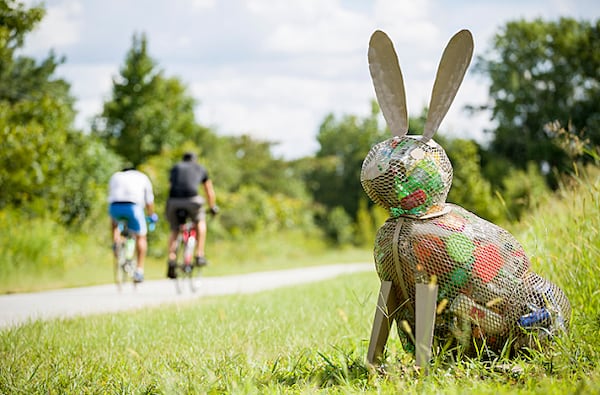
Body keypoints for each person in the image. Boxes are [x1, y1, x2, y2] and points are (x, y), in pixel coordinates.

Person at [166, 152, 218, 279]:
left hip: (173, 201)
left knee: (175, 229)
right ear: (195, 160)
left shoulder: (176, 167)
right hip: (192, 200)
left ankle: (171, 258)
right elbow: (209, 190)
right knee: (200, 221)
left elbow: (171, 185)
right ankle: (199, 254)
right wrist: (212, 207)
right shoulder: (200, 168)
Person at [107, 165, 157, 283]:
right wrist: (151, 215)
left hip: (115, 207)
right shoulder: (142, 177)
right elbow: (149, 201)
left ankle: (116, 242)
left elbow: (110, 194)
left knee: (115, 224)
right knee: (141, 236)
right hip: (133, 207)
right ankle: (139, 271)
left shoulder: (116, 176)